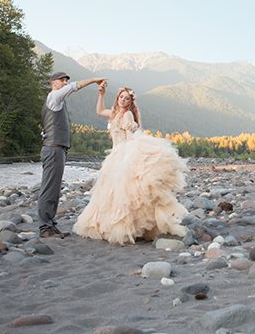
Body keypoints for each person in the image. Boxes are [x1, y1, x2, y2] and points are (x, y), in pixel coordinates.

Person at [72, 83, 189, 245]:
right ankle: (110, 225)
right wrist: (101, 94)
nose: (123, 100)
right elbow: (99, 111)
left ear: (130, 102)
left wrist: (133, 154)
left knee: (124, 193)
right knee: (111, 193)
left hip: (123, 153)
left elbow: (130, 136)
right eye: (121, 97)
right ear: (117, 98)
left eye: (126, 98)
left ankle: (128, 227)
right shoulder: (114, 113)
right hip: (114, 155)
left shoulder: (127, 115)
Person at [39, 71, 105, 239]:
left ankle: (50, 225)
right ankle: (45, 228)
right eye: (62, 80)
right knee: (49, 189)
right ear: (53, 83)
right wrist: (94, 80)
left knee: (54, 189)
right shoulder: (54, 97)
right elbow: (75, 87)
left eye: (66, 80)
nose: (65, 83)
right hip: (53, 149)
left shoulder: (58, 101)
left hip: (57, 149)